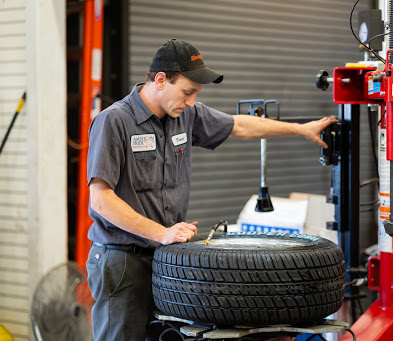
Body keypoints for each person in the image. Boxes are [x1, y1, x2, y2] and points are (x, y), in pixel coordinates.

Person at [85, 38, 337, 341]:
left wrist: (301, 129)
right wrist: (162, 232)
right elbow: (101, 200)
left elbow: (239, 126)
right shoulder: (114, 121)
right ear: (161, 80)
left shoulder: (184, 114)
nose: (191, 101)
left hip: (165, 261)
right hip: (121, 260)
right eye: (187, 92)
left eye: (196, 94)